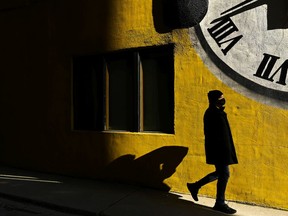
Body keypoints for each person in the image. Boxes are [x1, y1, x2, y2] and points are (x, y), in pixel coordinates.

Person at [187, 90, 238, 214]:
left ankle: (195, 186)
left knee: (221, 173)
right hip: (219, 151)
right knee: (224, 174)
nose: (223, 100)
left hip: (223, 150)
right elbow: (213, 136)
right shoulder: (212, 113)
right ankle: (219, 202)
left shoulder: (217, 112)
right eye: (221, 98)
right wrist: (223, 152)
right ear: (215, 100)